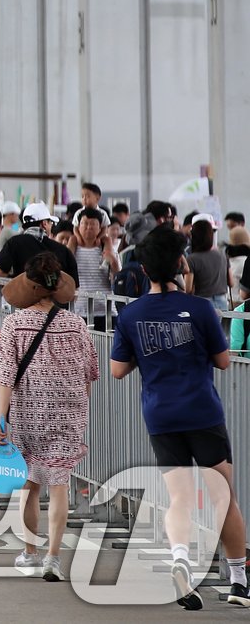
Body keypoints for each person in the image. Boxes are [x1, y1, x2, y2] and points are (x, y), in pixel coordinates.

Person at [110, 226, 250, 609]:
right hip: (203, 411)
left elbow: (117, 370)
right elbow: (223, 361)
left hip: (161, 415)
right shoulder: (201, 309)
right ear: (178, 263)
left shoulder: (131, 314)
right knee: (223, 497)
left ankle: (181, 562)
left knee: (179, 498)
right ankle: (238, 580)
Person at [0, 253, 98, 582]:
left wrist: (2, 420)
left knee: (30, 484)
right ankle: (54, 557)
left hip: (27, 415)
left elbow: (7, 376)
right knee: (60, 484)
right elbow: (89, 373)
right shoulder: (76, 324)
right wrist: (78, 408)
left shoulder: (14, 324)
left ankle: (30, 552)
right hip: (68, 413)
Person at [0, 202, 79, 284]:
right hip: (51, 298)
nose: (51, 226)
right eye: (50, 222)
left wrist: (16, 280)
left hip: (22, 298)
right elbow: (73, 287)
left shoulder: (13, 243)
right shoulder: (62, 250)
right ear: (44, 223)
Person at [70, 207, 119, 328]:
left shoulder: (106, 248)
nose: (88, 227)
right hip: (79, 311)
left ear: (100, 227)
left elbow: (117, 273)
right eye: (84, 223)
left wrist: (110, 257)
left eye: (93, 224)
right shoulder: (72, 249)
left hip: (106, 311)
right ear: (78, 226)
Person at [187, 218, 232, 311]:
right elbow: (231, 282)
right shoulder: (222, 255)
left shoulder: (192, 259)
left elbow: (188, 289)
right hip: (222, 303)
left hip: (202, 304)